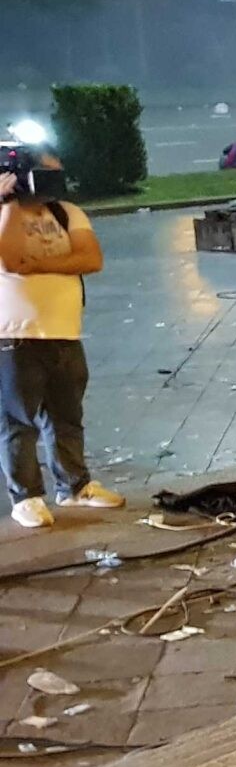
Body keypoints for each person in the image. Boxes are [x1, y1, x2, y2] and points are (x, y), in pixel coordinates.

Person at [0, 155, 116, 528]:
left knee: (67, 416)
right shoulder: (4, 211)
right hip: (14, 333)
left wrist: (36, 264)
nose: (46, 179)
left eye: (51, 171)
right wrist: (8, 205)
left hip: (64, 329)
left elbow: (91, 257)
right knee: (18, 420)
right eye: (37, 172)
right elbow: (9, 258)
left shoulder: (67, 213)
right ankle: (26, 496)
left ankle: (75, 486)